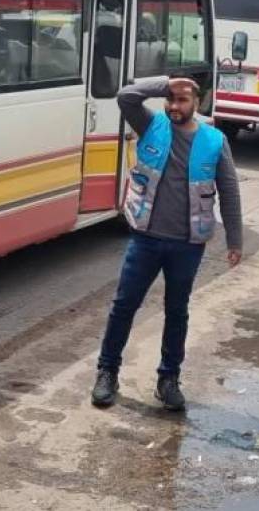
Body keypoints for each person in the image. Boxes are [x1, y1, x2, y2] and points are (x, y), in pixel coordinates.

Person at [91, 75, 243, 412]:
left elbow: (230, 191)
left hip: (188, 245)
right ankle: (107, 372)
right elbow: (126, 96)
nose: (175, 106)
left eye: (183, 100)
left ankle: (168, 379)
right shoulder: (151, 125)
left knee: (177, 312)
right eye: (171, 99)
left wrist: (235, 239)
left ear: (197, 103)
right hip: (145, 239)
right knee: (124, 306)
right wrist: (166, 83)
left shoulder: (214, 141)